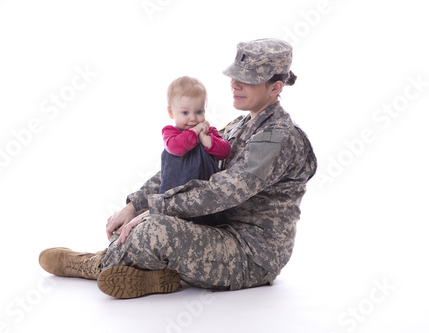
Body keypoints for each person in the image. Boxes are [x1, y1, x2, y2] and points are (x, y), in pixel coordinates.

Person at [38, 38, 317, 299]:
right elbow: (184, 166)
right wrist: (135, 205)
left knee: (154, 230)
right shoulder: (240, 126)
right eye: (235, 75)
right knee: (144, 222)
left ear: (275, 88)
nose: (234, 83)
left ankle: (97, 263)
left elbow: (222, 192)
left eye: (247, 79)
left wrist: (155, 209)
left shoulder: (279, 138)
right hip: (216, 228)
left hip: (250, 254)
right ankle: (157, 277)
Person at [159, 76, 230, 224]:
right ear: (171, 113)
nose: (193, 118)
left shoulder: (209, 132)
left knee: (211, 221)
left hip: (205, 199)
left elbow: (225, 152)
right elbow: (176, 148)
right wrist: (195, 132)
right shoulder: (170, 133)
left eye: (199, 112)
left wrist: (208, 141)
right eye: (185, 113)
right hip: (175, 197)